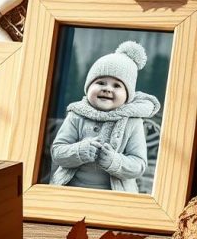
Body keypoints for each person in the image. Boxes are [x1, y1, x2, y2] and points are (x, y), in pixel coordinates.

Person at [50, 41, 160, 193]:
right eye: (100, 82)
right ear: (88, 87)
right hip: (71, 190)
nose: (107, 89)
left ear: (128, 95)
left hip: (114, 196)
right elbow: (57, 153)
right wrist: (80, 150)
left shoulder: (133, 121)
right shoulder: (77, 114)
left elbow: (139, 165)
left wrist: (114, 161)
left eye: (116, 86)